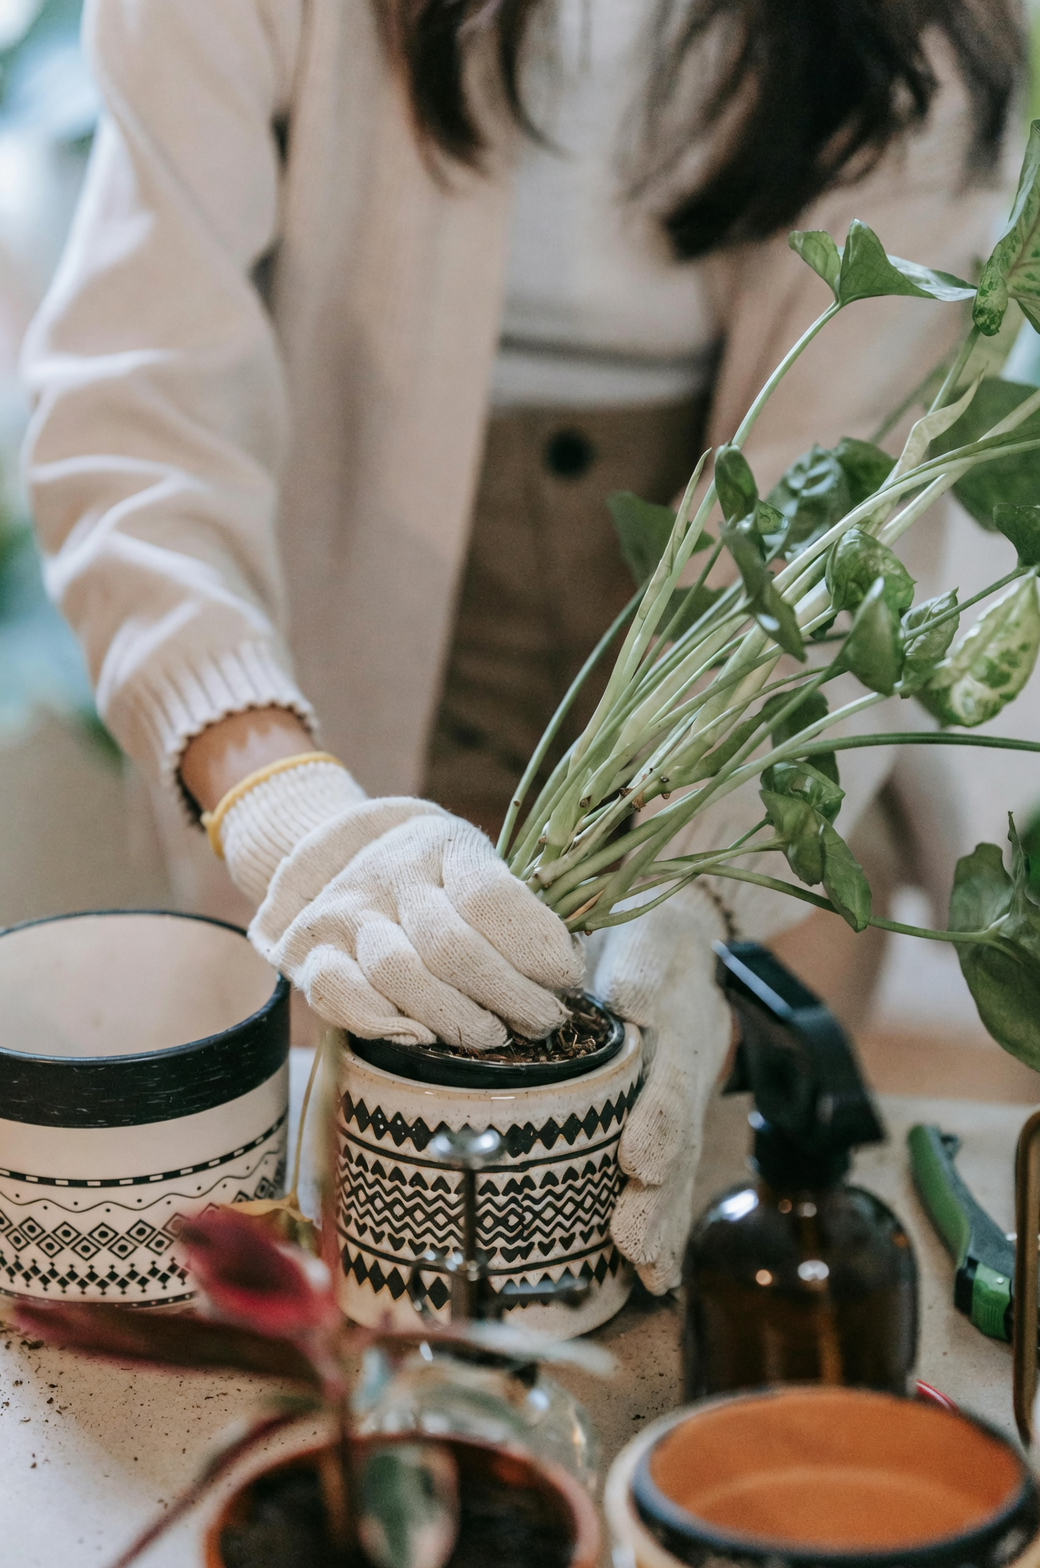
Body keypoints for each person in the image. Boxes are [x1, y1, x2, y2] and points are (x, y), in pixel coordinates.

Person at [20, 0, 1022, 1291]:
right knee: (361, 1239)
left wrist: (704, 891)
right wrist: (274, 788)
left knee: (644, 1242)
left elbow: (827, 539)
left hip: (716, 734)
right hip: (338, 688)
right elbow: (137, 410)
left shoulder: (921, 44)